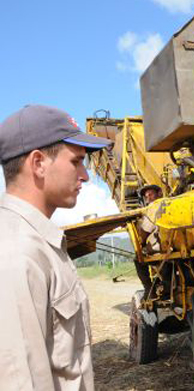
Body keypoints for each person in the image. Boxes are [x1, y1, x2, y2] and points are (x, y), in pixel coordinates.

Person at [0, 104, 112, 390]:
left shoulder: (36, 242)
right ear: (38, 163)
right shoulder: (17, 252)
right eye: (76, 161)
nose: (85, 176)